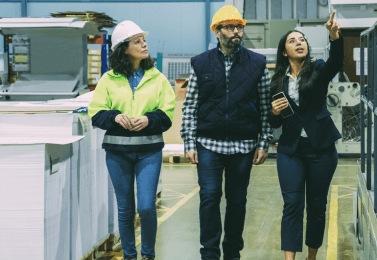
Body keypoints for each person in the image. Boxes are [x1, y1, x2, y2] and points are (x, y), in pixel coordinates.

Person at [180, 5, 273, 260]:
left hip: (243, 146)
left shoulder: (257, 63)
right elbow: (190, 106)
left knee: (237, 201)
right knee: (209, 197)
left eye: (239, 27)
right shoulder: (200, 63)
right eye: (230, 27)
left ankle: (232, 253)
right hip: (209, 143)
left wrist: (263, 142)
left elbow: (265, 106)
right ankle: (209, 254)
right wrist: (189, 142)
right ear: (217, 31)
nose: (236, 32)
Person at [88, 20, 176, 260]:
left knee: (146, 206)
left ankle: (148, 255)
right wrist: (116, 117)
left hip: (149, 151)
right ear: (124, 48)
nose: (144, 45)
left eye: (144, 40)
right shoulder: (108, 79)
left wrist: (149, 120)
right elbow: (95, 113)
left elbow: (167, 113)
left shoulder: (157, 78)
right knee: (125, 209)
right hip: (118, 152)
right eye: (138, 41)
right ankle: (129, 256)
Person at [268, 11, 343, 260]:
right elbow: (273, 121)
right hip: (290, 150)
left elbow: (336, 62)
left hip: (321, 149)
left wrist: (334, 38)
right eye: (293, 40)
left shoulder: (319, 70)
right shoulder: (277, 80)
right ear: (284, 52)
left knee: (317, 207)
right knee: (292, 206)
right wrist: (274, 112)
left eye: (302, 40)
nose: (299, 42)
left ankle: (311, 257)